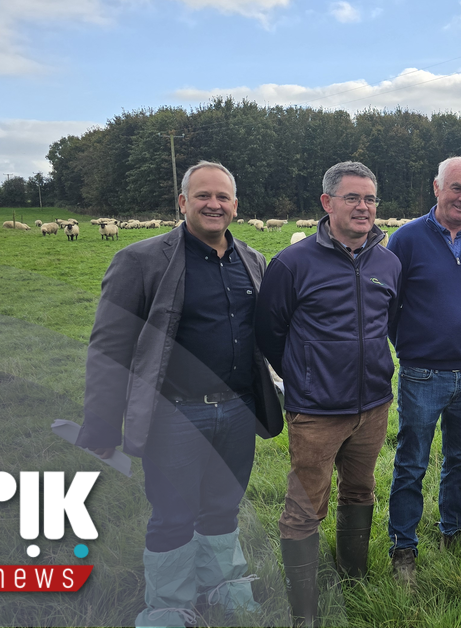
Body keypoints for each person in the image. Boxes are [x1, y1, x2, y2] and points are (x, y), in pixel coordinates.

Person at [77, 161, 283, 626]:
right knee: (172, 513)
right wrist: (102, 423)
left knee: (224, 505)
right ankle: (169, 605)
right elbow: (109, 348)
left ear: (236, 204)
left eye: (223, 197)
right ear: (182, 202)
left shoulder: (252, 259)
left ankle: (224, 584)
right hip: (173, 414)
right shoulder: (140, 260)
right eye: (203, 196)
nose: (214, 205)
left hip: (237, 410)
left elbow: (270, 337)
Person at [254, 161, 400, 626]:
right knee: (304, 505)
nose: (363, 207)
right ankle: (305, 611)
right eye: (353, 198)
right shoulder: (293, 263)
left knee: (360, 491)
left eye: (370, 199)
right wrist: (304, 377)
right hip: (316, 411)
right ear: (327, 203)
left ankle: (352, 577)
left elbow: (387, 324)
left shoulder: (388, 261)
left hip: (374, 404)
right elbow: (268, 332)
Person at [385, 156, 461, 587]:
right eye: (457, 188)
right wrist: (415, 349)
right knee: (411, 461)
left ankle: (454, 531)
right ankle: (404, 547)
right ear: (436, 188)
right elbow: (390, 307)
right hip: (421, 375)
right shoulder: (406, 239)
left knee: (460, 458)